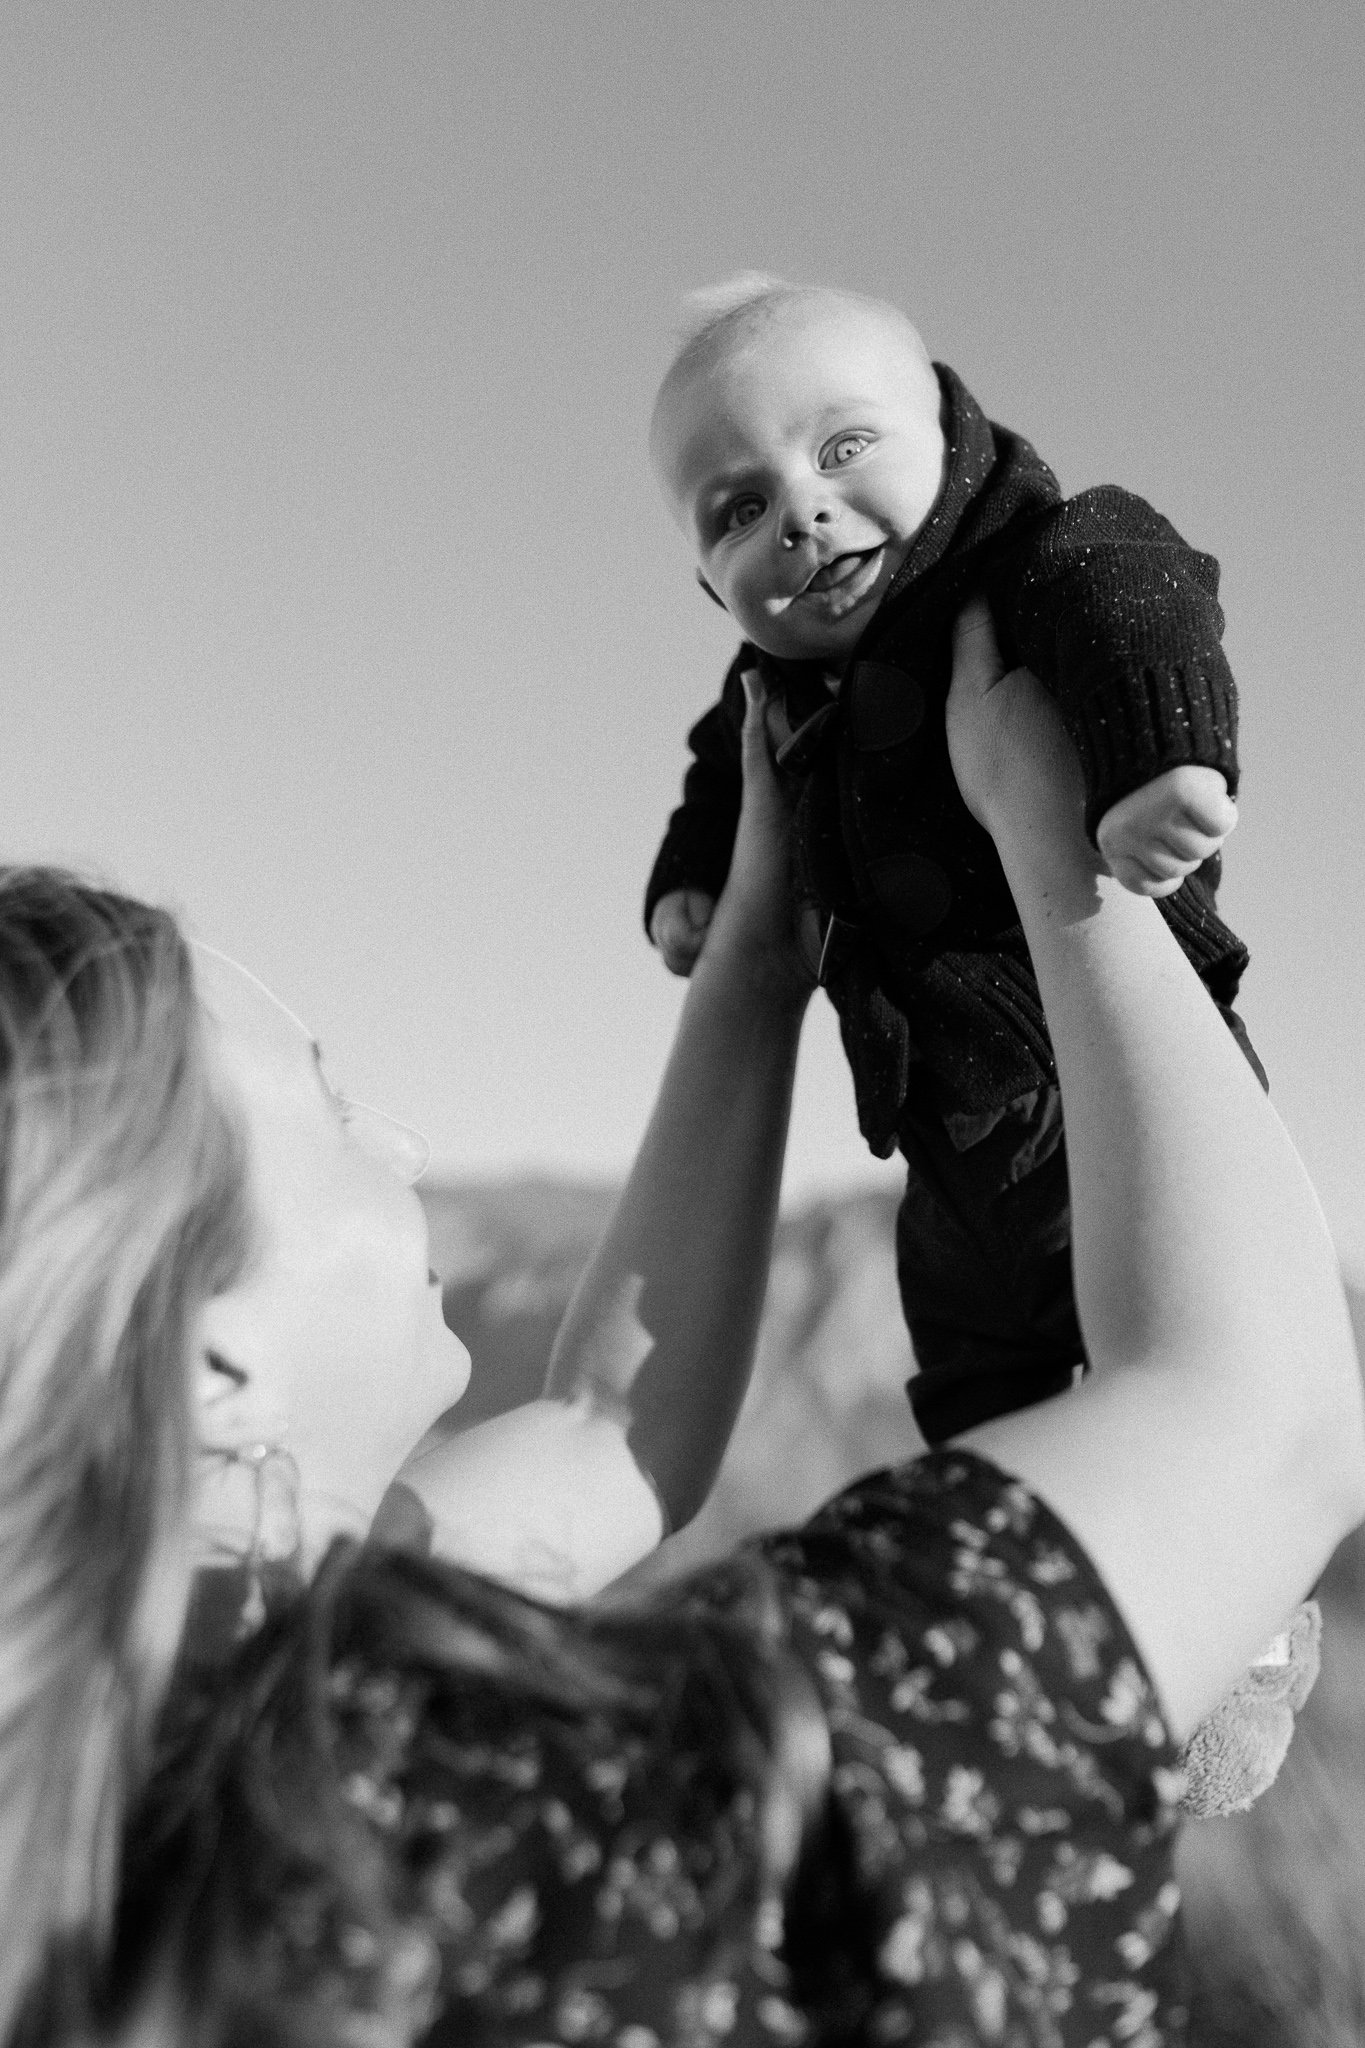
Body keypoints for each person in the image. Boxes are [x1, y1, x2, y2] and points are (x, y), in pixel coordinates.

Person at [4, 606, 1361, 2046]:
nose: (398, 1144)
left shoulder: (113, 1757)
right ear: (204, 1360)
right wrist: (1062, 858)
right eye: (331, 1115)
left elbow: (614, 1430)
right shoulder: (552, 1820)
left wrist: (760, 961)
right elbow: (1258, 1420)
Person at [644, 275, 1262, 1445]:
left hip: (1122, 1078)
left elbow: (1138, 595)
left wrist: (1158, 762)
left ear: (944, 420)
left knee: (1201, 1396)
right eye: (737, 510)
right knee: (979, 1403)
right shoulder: (770, 694)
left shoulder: (1026, 557)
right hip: (946, 1140)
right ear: (708, 584)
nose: (801, 511)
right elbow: (718, 777)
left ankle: (1247, 1627)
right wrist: (690, 883)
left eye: (843, 446)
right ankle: (1018, 1540)